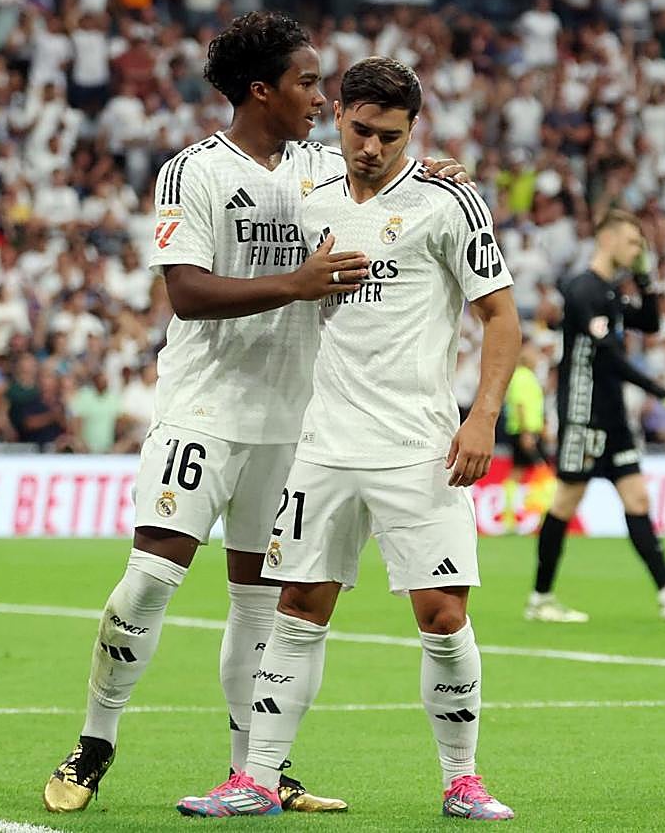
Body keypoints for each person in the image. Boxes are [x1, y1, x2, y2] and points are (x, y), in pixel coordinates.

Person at [43, 13, 471, 815]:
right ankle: (96, 739)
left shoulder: (326, 168)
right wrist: (297, 283)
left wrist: (440, 170)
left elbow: (396, 185)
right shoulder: (194, 171)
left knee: (259, 604)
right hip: (204, 407)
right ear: (261, 90)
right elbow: (187, 294)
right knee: (150, 580)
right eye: (308, 83)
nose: (323, 98)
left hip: (297, 422)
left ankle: (257, 773)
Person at [176, 56, 520, 821]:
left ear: (413, 132)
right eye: (361, 130)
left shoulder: (446, 202)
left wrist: (483, 415)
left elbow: (502, 316)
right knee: (296, 605)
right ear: (337, 115)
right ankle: (257, 779)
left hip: (417, 445)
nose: (373, 148)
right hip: (322, 443)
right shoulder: (308, 186)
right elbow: (245, 159)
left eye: (391, 137)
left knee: (442, 614)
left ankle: (462, 779)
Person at [527, 211, 665, 623]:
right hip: (583, 412)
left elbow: (651, 322)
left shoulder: (611, 294)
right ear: (609, 240)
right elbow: (610, 358)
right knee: (566, 501)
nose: (638, 250)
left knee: (636, 497)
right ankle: (540, 598)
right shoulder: (583, 290)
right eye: (634, 243)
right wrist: (663, 394)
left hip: (613, 415)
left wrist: (646, 279)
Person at [501, 339, 549, 533]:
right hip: (526, 433)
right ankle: (540, 515)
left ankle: (510, 517)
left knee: (518, 473)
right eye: (535, 355)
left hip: (527, 431)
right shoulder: (522, 377)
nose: (538, 359)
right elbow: (521, 406)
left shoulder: (524, 376)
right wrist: (528, 432)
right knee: (543, 473)